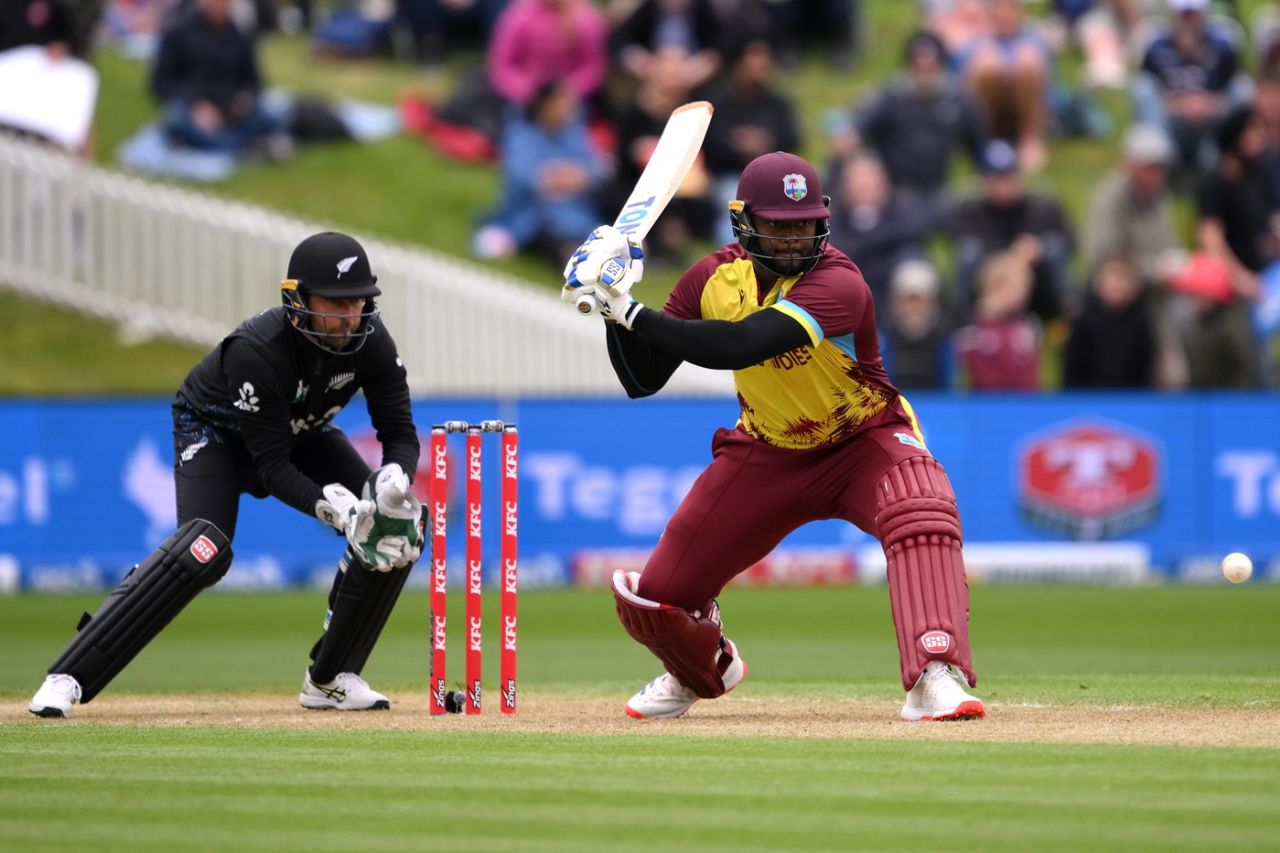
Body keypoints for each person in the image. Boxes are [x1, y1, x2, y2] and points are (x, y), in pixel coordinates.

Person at [560, 151, 985, 723]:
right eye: (778, 227)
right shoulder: (710, 277)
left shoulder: (840, 282)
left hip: (864, 441)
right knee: (655, 599)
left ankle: (936, 673)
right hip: (767, 451)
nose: (792, 239)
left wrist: (631, 311)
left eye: (804, 224)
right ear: (743, 223)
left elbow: (739, 345)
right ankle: (701, 665)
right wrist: (610, 303)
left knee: (922, 506)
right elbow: (643, 378)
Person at [28, 232, 424, 718]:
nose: (349, 316)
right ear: (297, 299)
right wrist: (335, 509)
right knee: (203, 549)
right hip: (214, 433)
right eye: (335, 303)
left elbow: (401, 433)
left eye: (358, 301)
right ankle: (68, 676)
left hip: (302, 432)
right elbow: (271, 467)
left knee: (394, 528)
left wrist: (394, 480)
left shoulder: (371, 341)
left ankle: (329, 679)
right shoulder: (257, 350)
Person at [149, 0, 289, 158]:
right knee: (175, 120)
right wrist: (196, 105)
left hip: (231, 112)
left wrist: (244, 99)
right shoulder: (178, 34)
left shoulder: (240, 37)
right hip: (194, 110)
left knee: (272, 117)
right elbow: (160, 83)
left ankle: (216, 144)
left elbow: (255, 82)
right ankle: (242, 146)